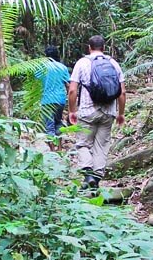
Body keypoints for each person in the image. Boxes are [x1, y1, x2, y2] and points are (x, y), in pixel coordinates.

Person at [67, 35, 126, 189]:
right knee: (102, 146)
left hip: (87, 111)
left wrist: (72, 111)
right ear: (104, 48)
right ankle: (96, 178)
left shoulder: (82, 63)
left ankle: (88, 175)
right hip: (108, 112)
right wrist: (121, 113)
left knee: (83, 144)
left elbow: (72, 90)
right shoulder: (113, 63)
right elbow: (122, 92)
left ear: (89, 48)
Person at [36, 45, 70, 146]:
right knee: (58, 123)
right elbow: (68, 85)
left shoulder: (41, 68)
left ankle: (52, 149)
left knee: (49, 126)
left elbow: (36, 83)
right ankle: (59, 147)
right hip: (60, 100)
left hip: (46, 100)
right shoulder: (62, 67)